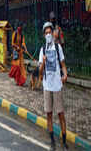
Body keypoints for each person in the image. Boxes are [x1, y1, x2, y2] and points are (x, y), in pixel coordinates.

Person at [39, 21, 68, 151]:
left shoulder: (57, 48)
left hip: (57, 85)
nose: (48, 34)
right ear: (44, 35)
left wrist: (65, 74)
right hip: (47, 86)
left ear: (53, 33)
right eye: (46, 33)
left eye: (50, 32)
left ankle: (64, 140)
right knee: (49, 114)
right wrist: (43, 62)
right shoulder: (42, 49)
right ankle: (52, 141)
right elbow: (40, 72)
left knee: (61, 113)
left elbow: (63, 64)